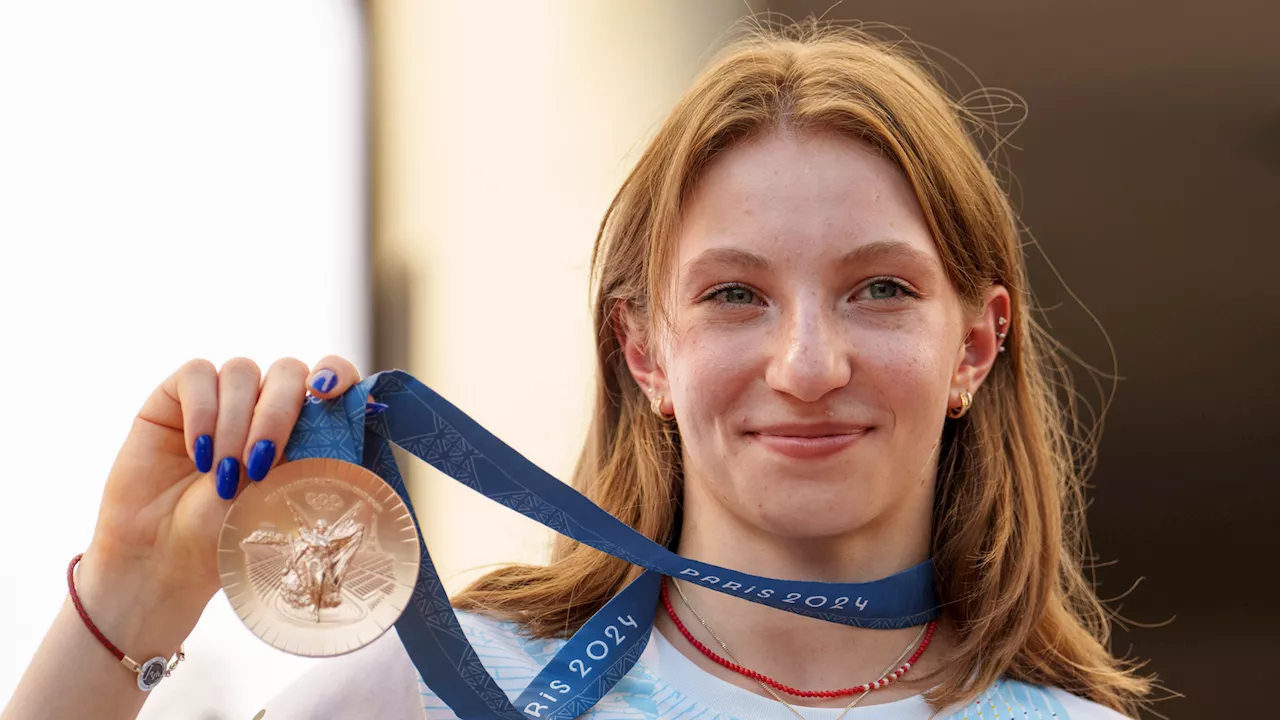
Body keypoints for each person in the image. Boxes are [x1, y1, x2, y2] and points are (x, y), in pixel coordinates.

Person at [2, 20, 1155, 720]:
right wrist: (128, 600)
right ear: (643, 352)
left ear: (972, 346)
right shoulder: (440, 697)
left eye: (881, 290)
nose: (806, 365)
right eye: (733, 294)